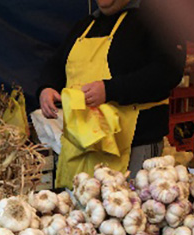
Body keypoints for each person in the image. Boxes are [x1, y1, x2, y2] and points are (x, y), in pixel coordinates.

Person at [39, 0, 185, 189]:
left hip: (134, 146)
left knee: (130, 210)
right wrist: (47, 87)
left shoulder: (159, 22)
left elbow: (168, 72)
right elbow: (56, 64)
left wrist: (110, 90)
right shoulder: (85, 26)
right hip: (84, 148)